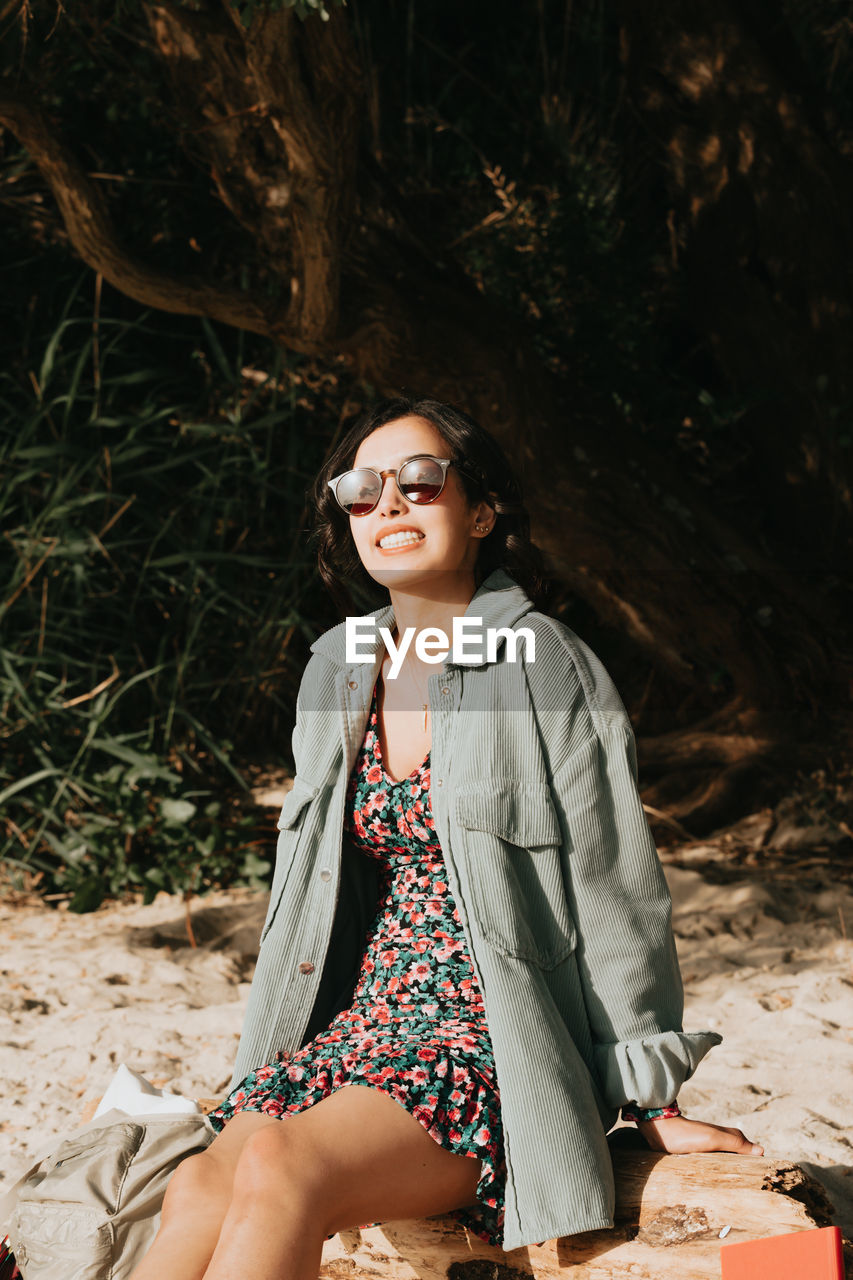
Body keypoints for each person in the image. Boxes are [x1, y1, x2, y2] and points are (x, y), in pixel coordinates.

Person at [128, 397, 763, 1280]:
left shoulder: (543, 661)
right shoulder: (336, 665)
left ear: (481, 511)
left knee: (279, 1166)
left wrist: (648, 1095)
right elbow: (304, 906)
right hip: (358, 1029)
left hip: (485, 1036)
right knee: (199, 1183)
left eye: (420, 482)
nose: (388, 505)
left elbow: (614, 888)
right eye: (360, 490)